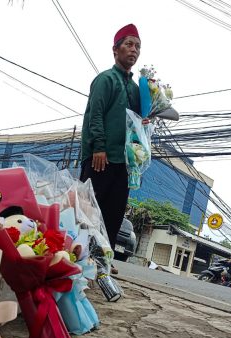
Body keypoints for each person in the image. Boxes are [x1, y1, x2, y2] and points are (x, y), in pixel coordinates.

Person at [80, 24, 144, 274]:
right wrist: (98, 146)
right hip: (101, 157)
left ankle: (102, 259)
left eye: (138, 46)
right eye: (129, 44)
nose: (134, 50)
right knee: (89, 209)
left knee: (114, 213)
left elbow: (139, 120)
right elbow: (94, 114)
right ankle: (79, 254)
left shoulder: (136, 89)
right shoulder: (105, 79)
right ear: (115, 50)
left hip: (124, 161)